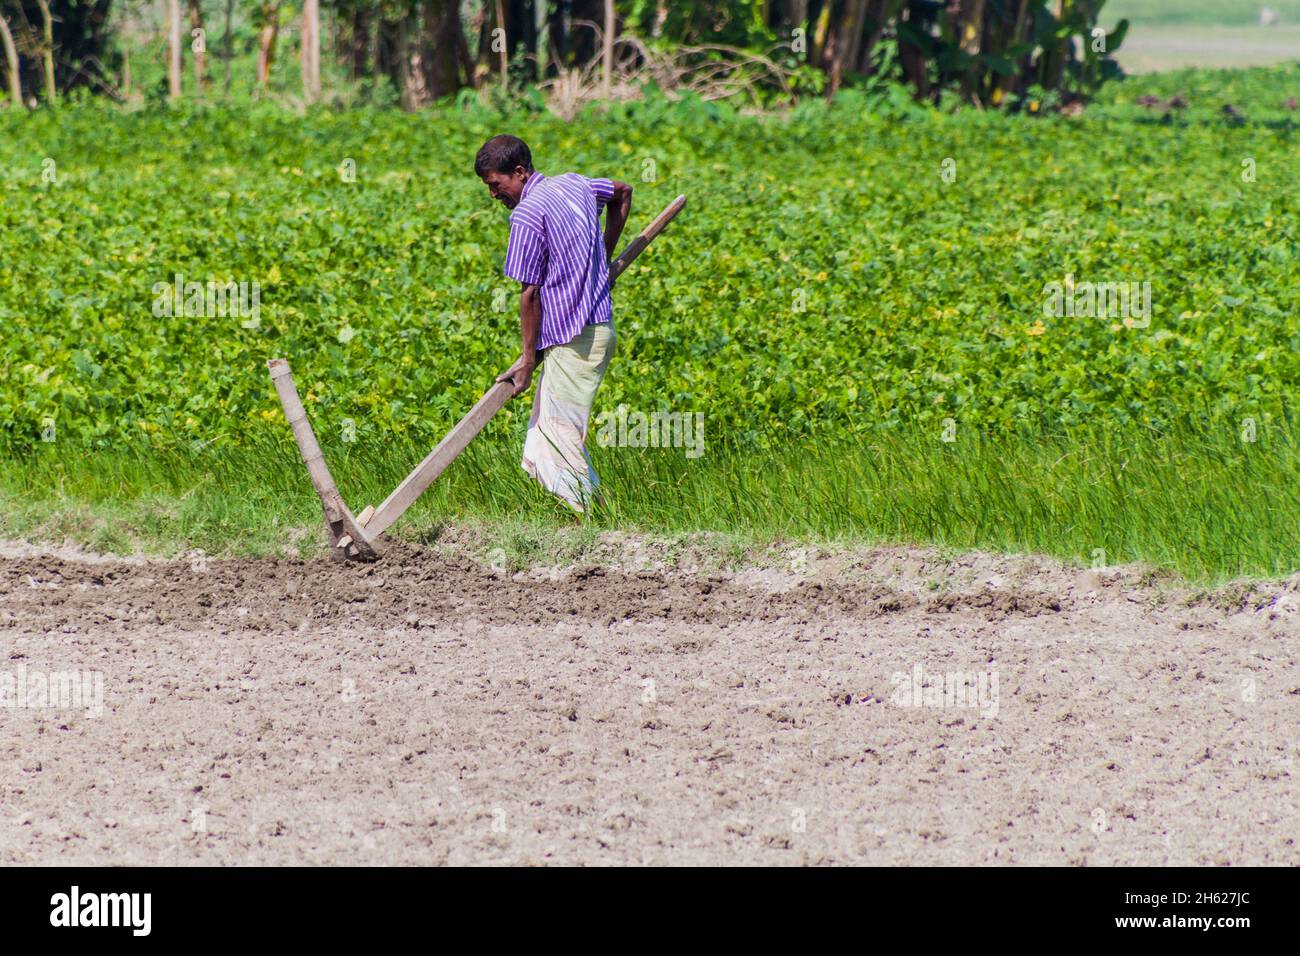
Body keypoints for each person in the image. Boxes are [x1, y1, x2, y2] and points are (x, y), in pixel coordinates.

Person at [475, 133, 633, 511]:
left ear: (519, 173)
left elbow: (529, 295)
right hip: (589, 333)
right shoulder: (575, 183)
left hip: (577, 339)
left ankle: (593, 519)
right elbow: (622, 191)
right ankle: (593, 513)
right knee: (545, 434)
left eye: (497, 185)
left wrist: (528, 362)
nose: (494, 195)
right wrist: (602, 259)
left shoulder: (527, 215)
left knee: (558, 435)